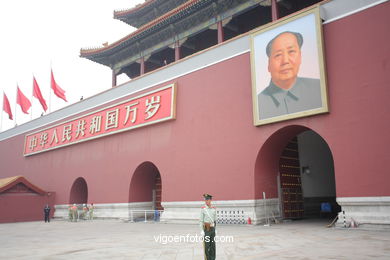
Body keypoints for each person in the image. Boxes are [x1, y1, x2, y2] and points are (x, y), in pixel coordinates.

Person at [257, 31, 322, 120]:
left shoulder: (318, 88)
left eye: (291, 51)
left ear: (300, 56)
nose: (285, 61)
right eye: (278, 55)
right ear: (269, 65)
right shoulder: (259, 104)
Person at [200, 193, 217, 260]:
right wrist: (201, 230)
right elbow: (201, 220)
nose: (206, 201)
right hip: (206, 230)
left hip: (212, 229)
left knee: (213, 245)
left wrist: (215, 229)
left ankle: (212, 258)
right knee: (207, 246)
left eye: (208, 200)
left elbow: (215, 220)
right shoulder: (203, 209)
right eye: (205, 200)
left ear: (210, 200)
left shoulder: (214, 209)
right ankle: (207, 258)